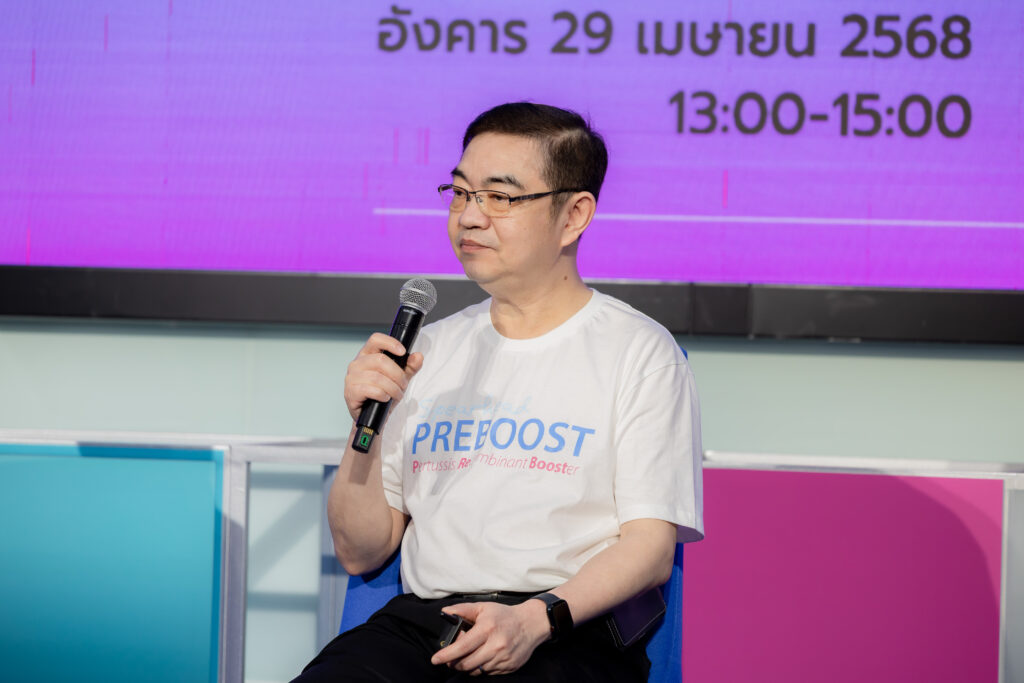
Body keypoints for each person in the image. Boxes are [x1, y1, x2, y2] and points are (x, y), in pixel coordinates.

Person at [293, 102, 703, 682]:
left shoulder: (640, 352)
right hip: (421, 628)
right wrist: (365, 429)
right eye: (461, 193)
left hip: (561, 629)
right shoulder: (426, 350)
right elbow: (360, 551)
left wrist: (537, 620)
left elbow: (650, 550)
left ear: (574, 215)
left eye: (500, 197)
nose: (469, 217)